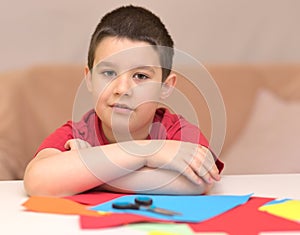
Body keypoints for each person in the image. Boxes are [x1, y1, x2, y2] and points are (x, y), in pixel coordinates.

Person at [24, 5, 224, 197]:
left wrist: (87, 174)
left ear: (165, 86)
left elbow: (199, 181)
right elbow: (37, 181)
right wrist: (146, 153)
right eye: (109, 73)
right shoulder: (77, 133)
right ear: (90, 78)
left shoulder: (177, 131)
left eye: (141, 76)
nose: (122, 89)